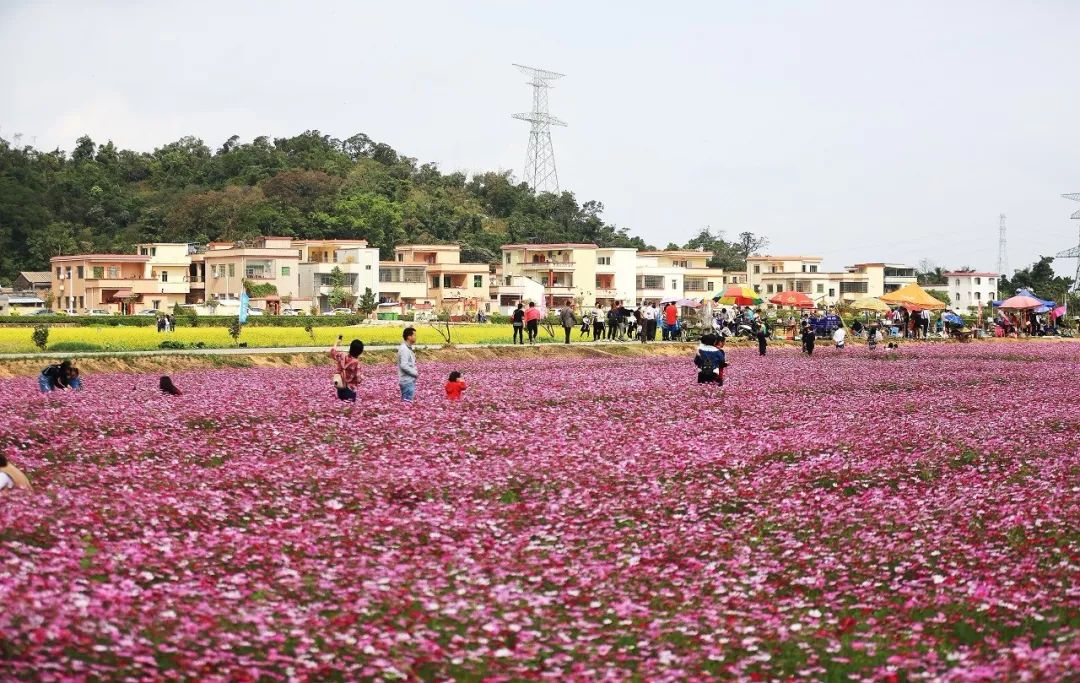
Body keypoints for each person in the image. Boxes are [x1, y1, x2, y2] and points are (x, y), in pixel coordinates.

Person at [329, 336, 364, 402]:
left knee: (341, 407)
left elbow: (332, 353)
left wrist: (337, 342)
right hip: (350, 389)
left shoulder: (342, 355)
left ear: (350, 348)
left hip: (340, 387)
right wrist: (362, 377)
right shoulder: (356, 363)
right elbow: (358, 379)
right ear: (360, 352)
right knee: (349, 409)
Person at [397, 327, 418, 401]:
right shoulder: (404, 349)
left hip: (409, 380)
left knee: (406, 404)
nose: (416, 337)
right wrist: (415, 373)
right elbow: (404, 365)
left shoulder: (408, 348)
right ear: (409, 337)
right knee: (406, 405)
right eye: (414, 335)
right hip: (407, 381)